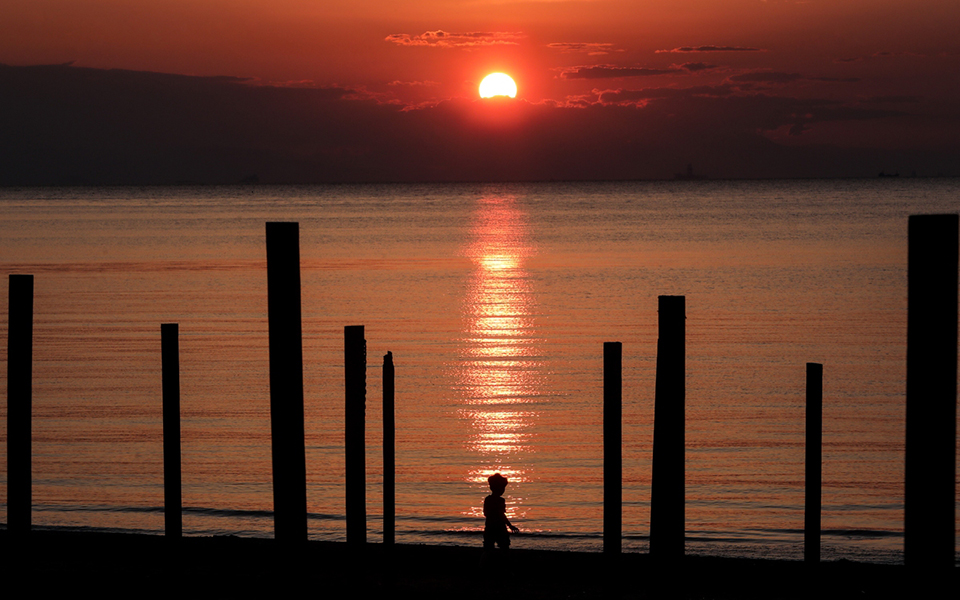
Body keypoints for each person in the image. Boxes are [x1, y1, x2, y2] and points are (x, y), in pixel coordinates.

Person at [483, 472, 520, 553]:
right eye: (502, 488)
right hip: (499, 528)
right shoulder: (500, 500)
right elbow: (501, 515)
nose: (503, 490)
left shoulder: (488, 499)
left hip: (489, 527)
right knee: (504, 547)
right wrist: (510, 525)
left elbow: (485, 513)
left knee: (488, 549)